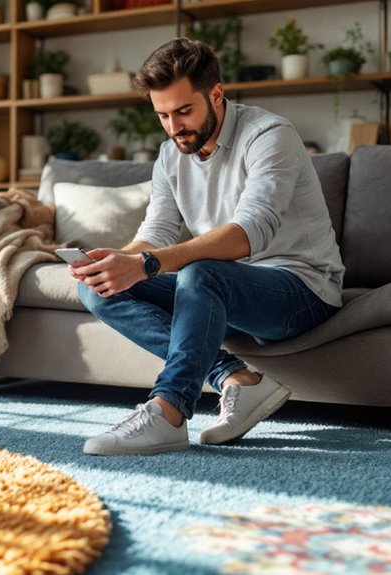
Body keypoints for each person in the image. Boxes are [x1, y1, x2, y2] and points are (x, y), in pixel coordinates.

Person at [71, 38, 344, 456]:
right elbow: (157, 232)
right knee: (98, 286)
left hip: (301, 291)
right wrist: (119, 261)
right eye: (162, 115)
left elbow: (249, 232)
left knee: (201, 272)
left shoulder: (270, 135)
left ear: (216, 95)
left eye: (184, 111)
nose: (174, 126)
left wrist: (147, 263)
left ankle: (168, 411)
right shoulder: (169, 155)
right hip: (223, 291)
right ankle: (236, 378)